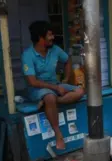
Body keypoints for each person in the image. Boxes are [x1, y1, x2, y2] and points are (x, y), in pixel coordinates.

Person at [22, 21, 85, 150]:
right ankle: (58, 134)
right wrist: (57, 88)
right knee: (49, 96)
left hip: (55, 85)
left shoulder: (55, 49)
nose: (52, 38)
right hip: (37, 89)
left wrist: (66, 79)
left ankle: (48, 104)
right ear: (40, 38)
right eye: (49, 35)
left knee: (80, 92)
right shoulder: (28, 55)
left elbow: (67, 60)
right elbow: (33, 82)